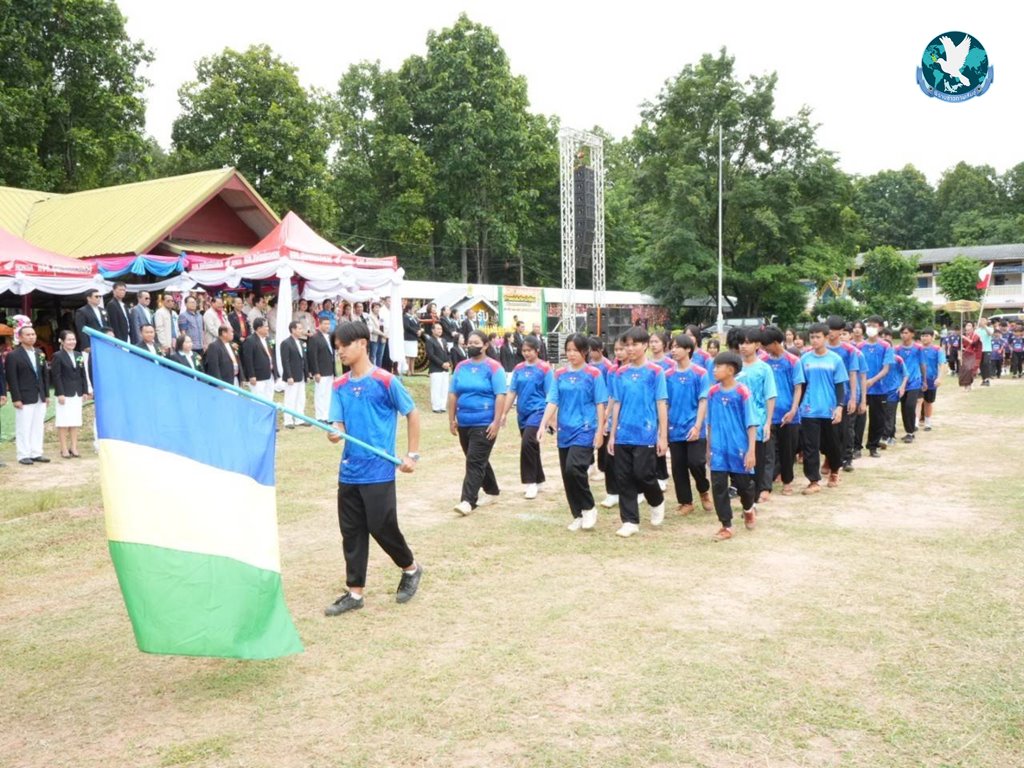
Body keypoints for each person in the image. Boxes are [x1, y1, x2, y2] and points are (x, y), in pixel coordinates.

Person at [324, 320, 423, 616]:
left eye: (344, 345)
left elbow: (412, 413)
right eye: (337, 347)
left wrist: (412, 455)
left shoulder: (385, 380)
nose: (340, 351)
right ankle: (355, 593)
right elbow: (338, 422)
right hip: (349, 470)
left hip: (379, 469)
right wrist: (335, 432)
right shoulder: (339, 386)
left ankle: (410, 568)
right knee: (351, 531)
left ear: (363, 344)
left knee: (381, 526)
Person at [538, 334, 606, 530]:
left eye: (575, 350)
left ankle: (589, 507)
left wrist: (600, 430)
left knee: (573, 468)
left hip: (585, 429)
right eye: (568, 350)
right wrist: (543, 424)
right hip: (565, 430)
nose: (571, 354)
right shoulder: (559, 374)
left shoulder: (594, 374)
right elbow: (553, 400)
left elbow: (600, 404)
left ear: (584, 351)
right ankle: (577, 514)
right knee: (567, 475)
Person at [607, 326, 668, 537]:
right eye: (627, 345)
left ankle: (656, 500)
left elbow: (661, 403)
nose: (630, 349)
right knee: (623, 477)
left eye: (635, 344)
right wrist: (612, 434)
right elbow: (617, 403)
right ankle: (630, 521)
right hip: (623, 433)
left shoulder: (656, 372)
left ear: (645, 346)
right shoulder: (620, 373)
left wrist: (663, 436)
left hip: (646, 433)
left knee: (643, 474)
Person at [448, 330, 506, 515]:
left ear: (485, 345)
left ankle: (467, 501)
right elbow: (453, 393)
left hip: (484, 421)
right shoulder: (461, 367)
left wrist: (496, 421)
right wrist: (451, 419)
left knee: (474, 461)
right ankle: (492, 490)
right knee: (477, 458)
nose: (471, 346)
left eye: (475, 343)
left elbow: (500, 395)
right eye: (469, 342)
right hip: (464, 421)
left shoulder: (494, 367)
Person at [705, 351, 758, 541]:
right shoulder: (712, 393)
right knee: (718, 487)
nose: (714, 370)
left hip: (739, 448)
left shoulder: (742, 392)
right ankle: (726, 525)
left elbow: (751, 423)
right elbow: (709, 423)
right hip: (718, 448)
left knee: (744, 486)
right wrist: (708, 448)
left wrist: (751, 450)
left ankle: (749, 508)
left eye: (718, 367)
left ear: (730, 370)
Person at [665, 333, 712, 515]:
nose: (673, 350)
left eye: (677, 347)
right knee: (678, 467)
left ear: (688, 349)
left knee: (696, 462)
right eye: (672, 347)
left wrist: (698, 426)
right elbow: (665, 403)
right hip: (674, 427)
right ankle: (686, 502)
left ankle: (703, 490)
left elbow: (703, 401)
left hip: (694, 426)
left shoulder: (700, 373)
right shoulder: (668, 375)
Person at [798, 324, 848, 494]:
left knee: (832, 444)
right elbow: (801, 385)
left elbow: (840, 386)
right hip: (809, 410)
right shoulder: (804, 359)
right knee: (810, 447)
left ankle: (834, 471)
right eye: (812, 337)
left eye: (818, 337)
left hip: (829, 409)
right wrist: (797, 407)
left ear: (826, 338)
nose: (814, 340)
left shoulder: (835, 359)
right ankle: (813, 481)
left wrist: (840, 407)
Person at [502, 335, 552, 500]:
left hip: (538, 411)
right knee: (532, 446)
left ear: (537, 350)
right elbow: (512, 391)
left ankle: (530, 482)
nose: (526, 353)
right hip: (522, 413)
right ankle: (538, 478)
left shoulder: (545, 368)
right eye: (523, 350)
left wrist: (551, 418)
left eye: (529, 350)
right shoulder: (518, 369)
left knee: (527, 443)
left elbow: (551, 394)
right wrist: (504, 413)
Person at [732, 328, 777, 504]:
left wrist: (768, 422)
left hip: (757, 421)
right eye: (741, 343)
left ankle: (755, 496)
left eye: (748, 343)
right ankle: (743, 494)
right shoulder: (734, 368)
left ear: (757, 345)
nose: (743, 346)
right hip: (737, 422)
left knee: (756, 460)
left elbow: (770, 396)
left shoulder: (764, 369)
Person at [762, 326, 804, 496]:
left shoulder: (793, 361)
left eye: (766, 344)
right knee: (768, 452)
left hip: (788, 414)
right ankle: (765, 487)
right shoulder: (764, 362)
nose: (763, 348)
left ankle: (787, 482)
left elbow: (798, 387)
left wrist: (793, 409)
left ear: (774, 343)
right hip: (768, 415)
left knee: (788, 451)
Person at [5, 325, 50, 465]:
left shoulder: (39, 353)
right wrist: (16, 398)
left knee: (38, 425)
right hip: (24, 396)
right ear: (20, 337)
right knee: (24, 426)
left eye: (33, 334)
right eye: (28, 335)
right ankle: (23, 454)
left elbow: (44, 375)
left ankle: (36, 452)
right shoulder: (13, 355)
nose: (31, 337)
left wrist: (46, 395)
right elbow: (12, 378)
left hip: (39, 394)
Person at [825, 316, 861, 472]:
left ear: (841, 331)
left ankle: (847, 458)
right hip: (826, 395)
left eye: (834, 330)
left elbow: (853, 374)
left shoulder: (849, 350)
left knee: (845, 430)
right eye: (829, 329)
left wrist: (853, 397)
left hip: (844, 395)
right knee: (828, 430)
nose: (830, 333)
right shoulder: (820, 348)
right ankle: (829, 459)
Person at [51, 329, 90, 458]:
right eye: (69, 339)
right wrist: (60, 393)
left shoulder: (78, 355)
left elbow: (83, 374)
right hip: (64, 393)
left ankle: (74, 447)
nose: (72, 342)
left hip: (77, 392)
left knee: (75, 421)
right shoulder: (57, 356)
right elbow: (56, 376)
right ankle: (63, 448)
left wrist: (85, 391)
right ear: (62, 341)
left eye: (73, 339)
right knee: (63, 421)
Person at [859, 316, 894, 458]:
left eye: (873, 325)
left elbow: (886, 368)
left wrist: (872, 380)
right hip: (861, 388)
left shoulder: (885, 346)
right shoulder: (859, 346)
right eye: (868, 325)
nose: (870, 328)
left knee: (877, 419)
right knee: (859, 419)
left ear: (880, 328)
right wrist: (863, 382)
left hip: (879, 388)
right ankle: (856, 447)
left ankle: (873, 446)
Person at [894, 325, 927, 443]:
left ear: (912, 334)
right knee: (903, 407)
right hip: (902, 382)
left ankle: (911, 431)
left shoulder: (918, 348)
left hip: (915, 381)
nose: (904, 335)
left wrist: (924, 380)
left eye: (906, 333)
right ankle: (908, 431)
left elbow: (922, 364)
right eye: (902, 333)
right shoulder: (897, 349)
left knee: (910, 406)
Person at [307, 316, 336, 422]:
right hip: (321, 370)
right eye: (325, 324)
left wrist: (334, 372)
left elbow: (332, 355)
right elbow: (312, 356)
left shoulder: (329, 337)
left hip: (329, 370)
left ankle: (327, 415)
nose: (327, 326)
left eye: (329, 324)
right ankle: (320, 416)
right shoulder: (314, 338)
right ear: (319, 324)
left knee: (328, 394)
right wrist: (316, 372)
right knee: (320, 394)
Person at [280, 320, 308, 428]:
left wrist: (306, 373)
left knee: (301, 398)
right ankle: (288, 420)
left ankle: (299, 418)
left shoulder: (301, 342)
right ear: (293, 330)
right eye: (299, 329)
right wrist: (289, 376)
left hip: (301, 374)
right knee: (290, 398)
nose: (301, 331)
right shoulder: (286, 343)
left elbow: (303, 359)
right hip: (292, 375)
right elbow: (285, 361)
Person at [241, 318, 277, 400]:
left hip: (269, 373)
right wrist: (251, 375)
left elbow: (272, 356)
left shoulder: (268, 339)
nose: (268, 328)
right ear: (259, 328)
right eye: (266, 326)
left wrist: (275, 372)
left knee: (269, 397)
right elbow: (248, 360)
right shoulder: (250, 340)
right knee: (258, 399)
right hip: (258, 376)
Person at [918, 328, 946, 431]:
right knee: (917, 401)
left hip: (931, 379)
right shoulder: (917, 349)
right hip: (917, 379)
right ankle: (915, 423)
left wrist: (939, 378)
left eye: (926, 336)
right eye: (922, 336)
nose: (924, 338)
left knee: (928, 402)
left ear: (932, 337)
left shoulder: (937, 349)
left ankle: (927, 423)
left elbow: (942, 364)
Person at [424, 322, 451, 413]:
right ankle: (436, 406)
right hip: (436, 368)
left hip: (445, 368)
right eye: (438, 329)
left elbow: (448, 353)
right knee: (436, 388)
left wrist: (448, 362)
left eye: (441, 329)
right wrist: (441, 363)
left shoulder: (444, 340)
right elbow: (431, 355)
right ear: (433, 330)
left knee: (444, 388)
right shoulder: (430, 340)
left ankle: (442, 406)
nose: (440, 330)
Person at [74, 289, 108, 354]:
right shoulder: (82, 311)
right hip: (92, 341)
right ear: (88, 298)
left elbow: (107, 325)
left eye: (100, 296)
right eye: (96, 296)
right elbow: (81, 329)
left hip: (105, 341)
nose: (99, 298)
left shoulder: (103, 310)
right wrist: (86, 345)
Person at [402, 301, 423, 375]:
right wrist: (416, 331)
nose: (414, 310)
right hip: (408, 338)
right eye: (413, 308)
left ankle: (412, 370)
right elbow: (407, 327)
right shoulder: (405, 316)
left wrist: (420, 330)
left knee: (413, 355)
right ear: (409, 309)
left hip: (414, 338)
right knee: (408, 355)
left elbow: (418, 325)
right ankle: (408, 371)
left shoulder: (414, 317)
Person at [976, 316, 993, 386]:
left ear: (986, 321)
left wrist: (985, 327)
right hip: (979, 350)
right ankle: (984, 379)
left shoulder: (990, 328)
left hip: (987, 349)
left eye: (983, 320)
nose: (982, 321)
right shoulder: (977, 330)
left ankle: (987, 379)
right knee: (981, 365)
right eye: (981, 320)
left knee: (986, 363)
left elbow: (990, 333)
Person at [368, 301, 385, 367]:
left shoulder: (381, 317)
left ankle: (379, 369)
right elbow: (372, 329)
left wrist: (384, 334)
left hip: (382, 339)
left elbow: (384, 326)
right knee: (373, 356)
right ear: (372, 308)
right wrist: (382, 334)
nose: (378, 309)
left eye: (378, 307)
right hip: (374, 338)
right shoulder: (370, 316)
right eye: (376, 307)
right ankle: (372, 370)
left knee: (380, 356)